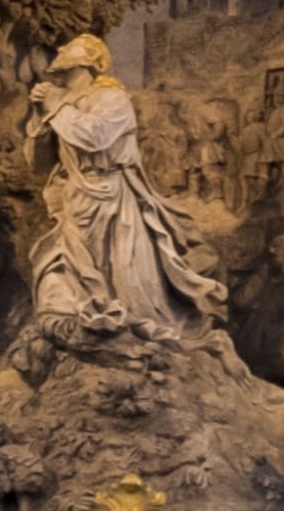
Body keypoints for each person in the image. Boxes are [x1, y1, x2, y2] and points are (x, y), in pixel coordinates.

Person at [27, 35, 228, 338]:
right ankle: (86, 325)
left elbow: (95, 137)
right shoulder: (59, 101)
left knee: (126, 279)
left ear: (89, 60)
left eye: (71, 46)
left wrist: (57, 107)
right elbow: (39, 165)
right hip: (75, 199)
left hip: (113, 201)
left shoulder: (111, 98)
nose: (61, 50)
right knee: (72, 269)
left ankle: (136, 331)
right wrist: (42, 120)